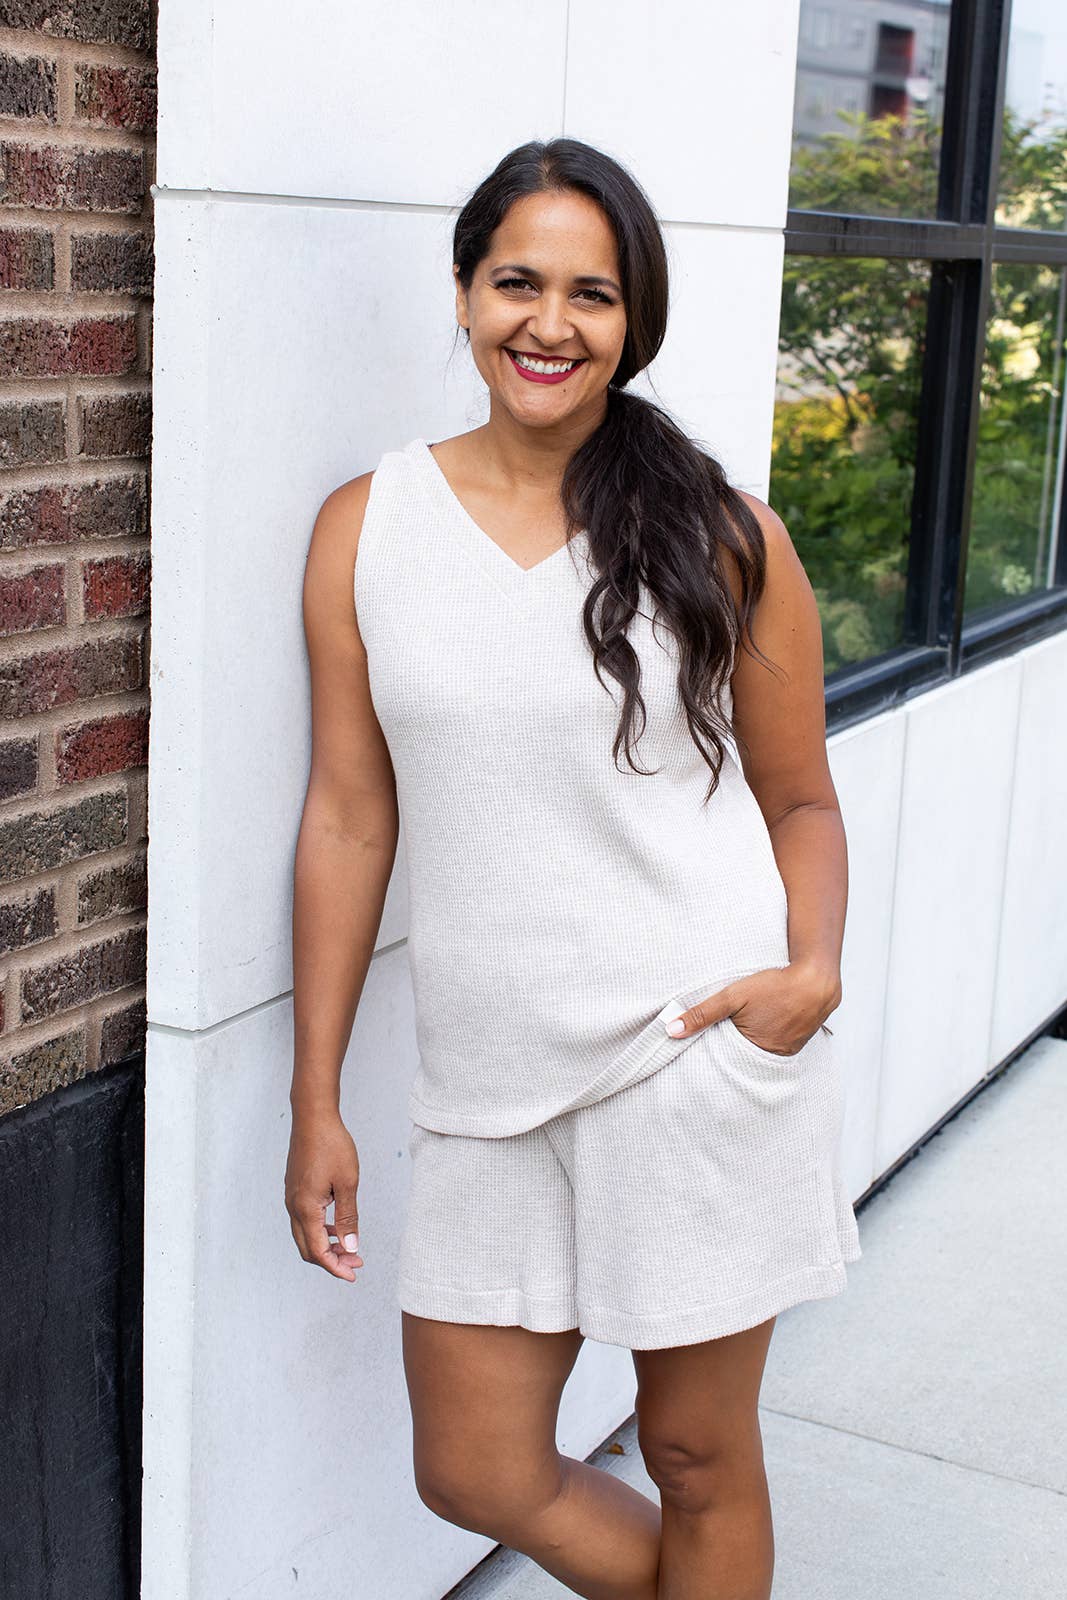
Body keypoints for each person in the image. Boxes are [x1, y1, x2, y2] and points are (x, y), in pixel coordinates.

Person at [286, 136, 861, 1600]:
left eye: (591, 294)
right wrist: (315, 1097)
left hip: (691, 1049)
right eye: (517, 283)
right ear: (465, 294)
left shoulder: (720, 536)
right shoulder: (367, 528)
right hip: (484, 1080)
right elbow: (350, 817)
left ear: (632, 319)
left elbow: (801, 796)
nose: (549, 323)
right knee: (473, 1469)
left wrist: (809, 975)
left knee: (698, 1457)